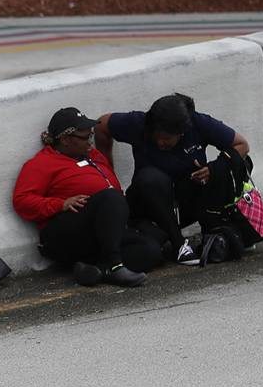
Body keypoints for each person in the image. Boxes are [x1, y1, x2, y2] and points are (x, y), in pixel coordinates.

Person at [13, 107, 163, 287]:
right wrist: (60, 204)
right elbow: (22, 201)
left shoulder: (93, 155)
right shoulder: (41, 163)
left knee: (152, 249)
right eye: (85, 138)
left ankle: (96, 270)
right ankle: (115, 266)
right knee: (111, 197)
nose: (91, 143)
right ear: (65, 140)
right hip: (65, 232)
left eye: (91, 135)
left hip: (100, 233)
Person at [95, 93, 250, 265]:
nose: (160, 143)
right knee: (150, 178)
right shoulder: (138, 123)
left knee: (236, 164)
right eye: (157, 137)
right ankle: (179, 245)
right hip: (150, 204)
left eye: (167, 139)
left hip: (187, 199)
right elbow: (101, 125)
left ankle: (219, 230)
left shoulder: (198, 123)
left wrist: (212, 169)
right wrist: (108, 174)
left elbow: (242, 145)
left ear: (182, 132)